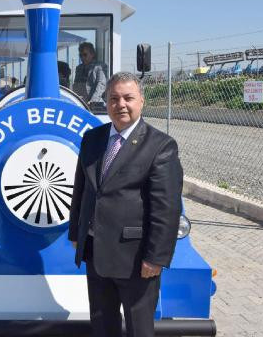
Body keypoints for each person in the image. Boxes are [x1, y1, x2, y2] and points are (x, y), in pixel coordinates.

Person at [68, 72, 183, 337]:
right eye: (114, 98)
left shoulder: (161, 146)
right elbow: (82, 190)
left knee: (138, 329)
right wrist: (76, 232)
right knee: (102, 326)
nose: (120, 104)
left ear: (141, 101)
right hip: (96, 254)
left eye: (128, 98)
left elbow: (166, 210)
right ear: (106, 102)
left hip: (136, 260)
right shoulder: (92, 139)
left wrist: (155, 258)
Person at [72, 42, 108, 107]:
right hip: (81, 102)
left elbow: (101, 84)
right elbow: (76, 85)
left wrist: (93, 101)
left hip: (96, 103)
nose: (82, 58)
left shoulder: (99, 66)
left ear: (92, 54)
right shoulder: (79, 68)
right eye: (80, 55)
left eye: (85, 55)